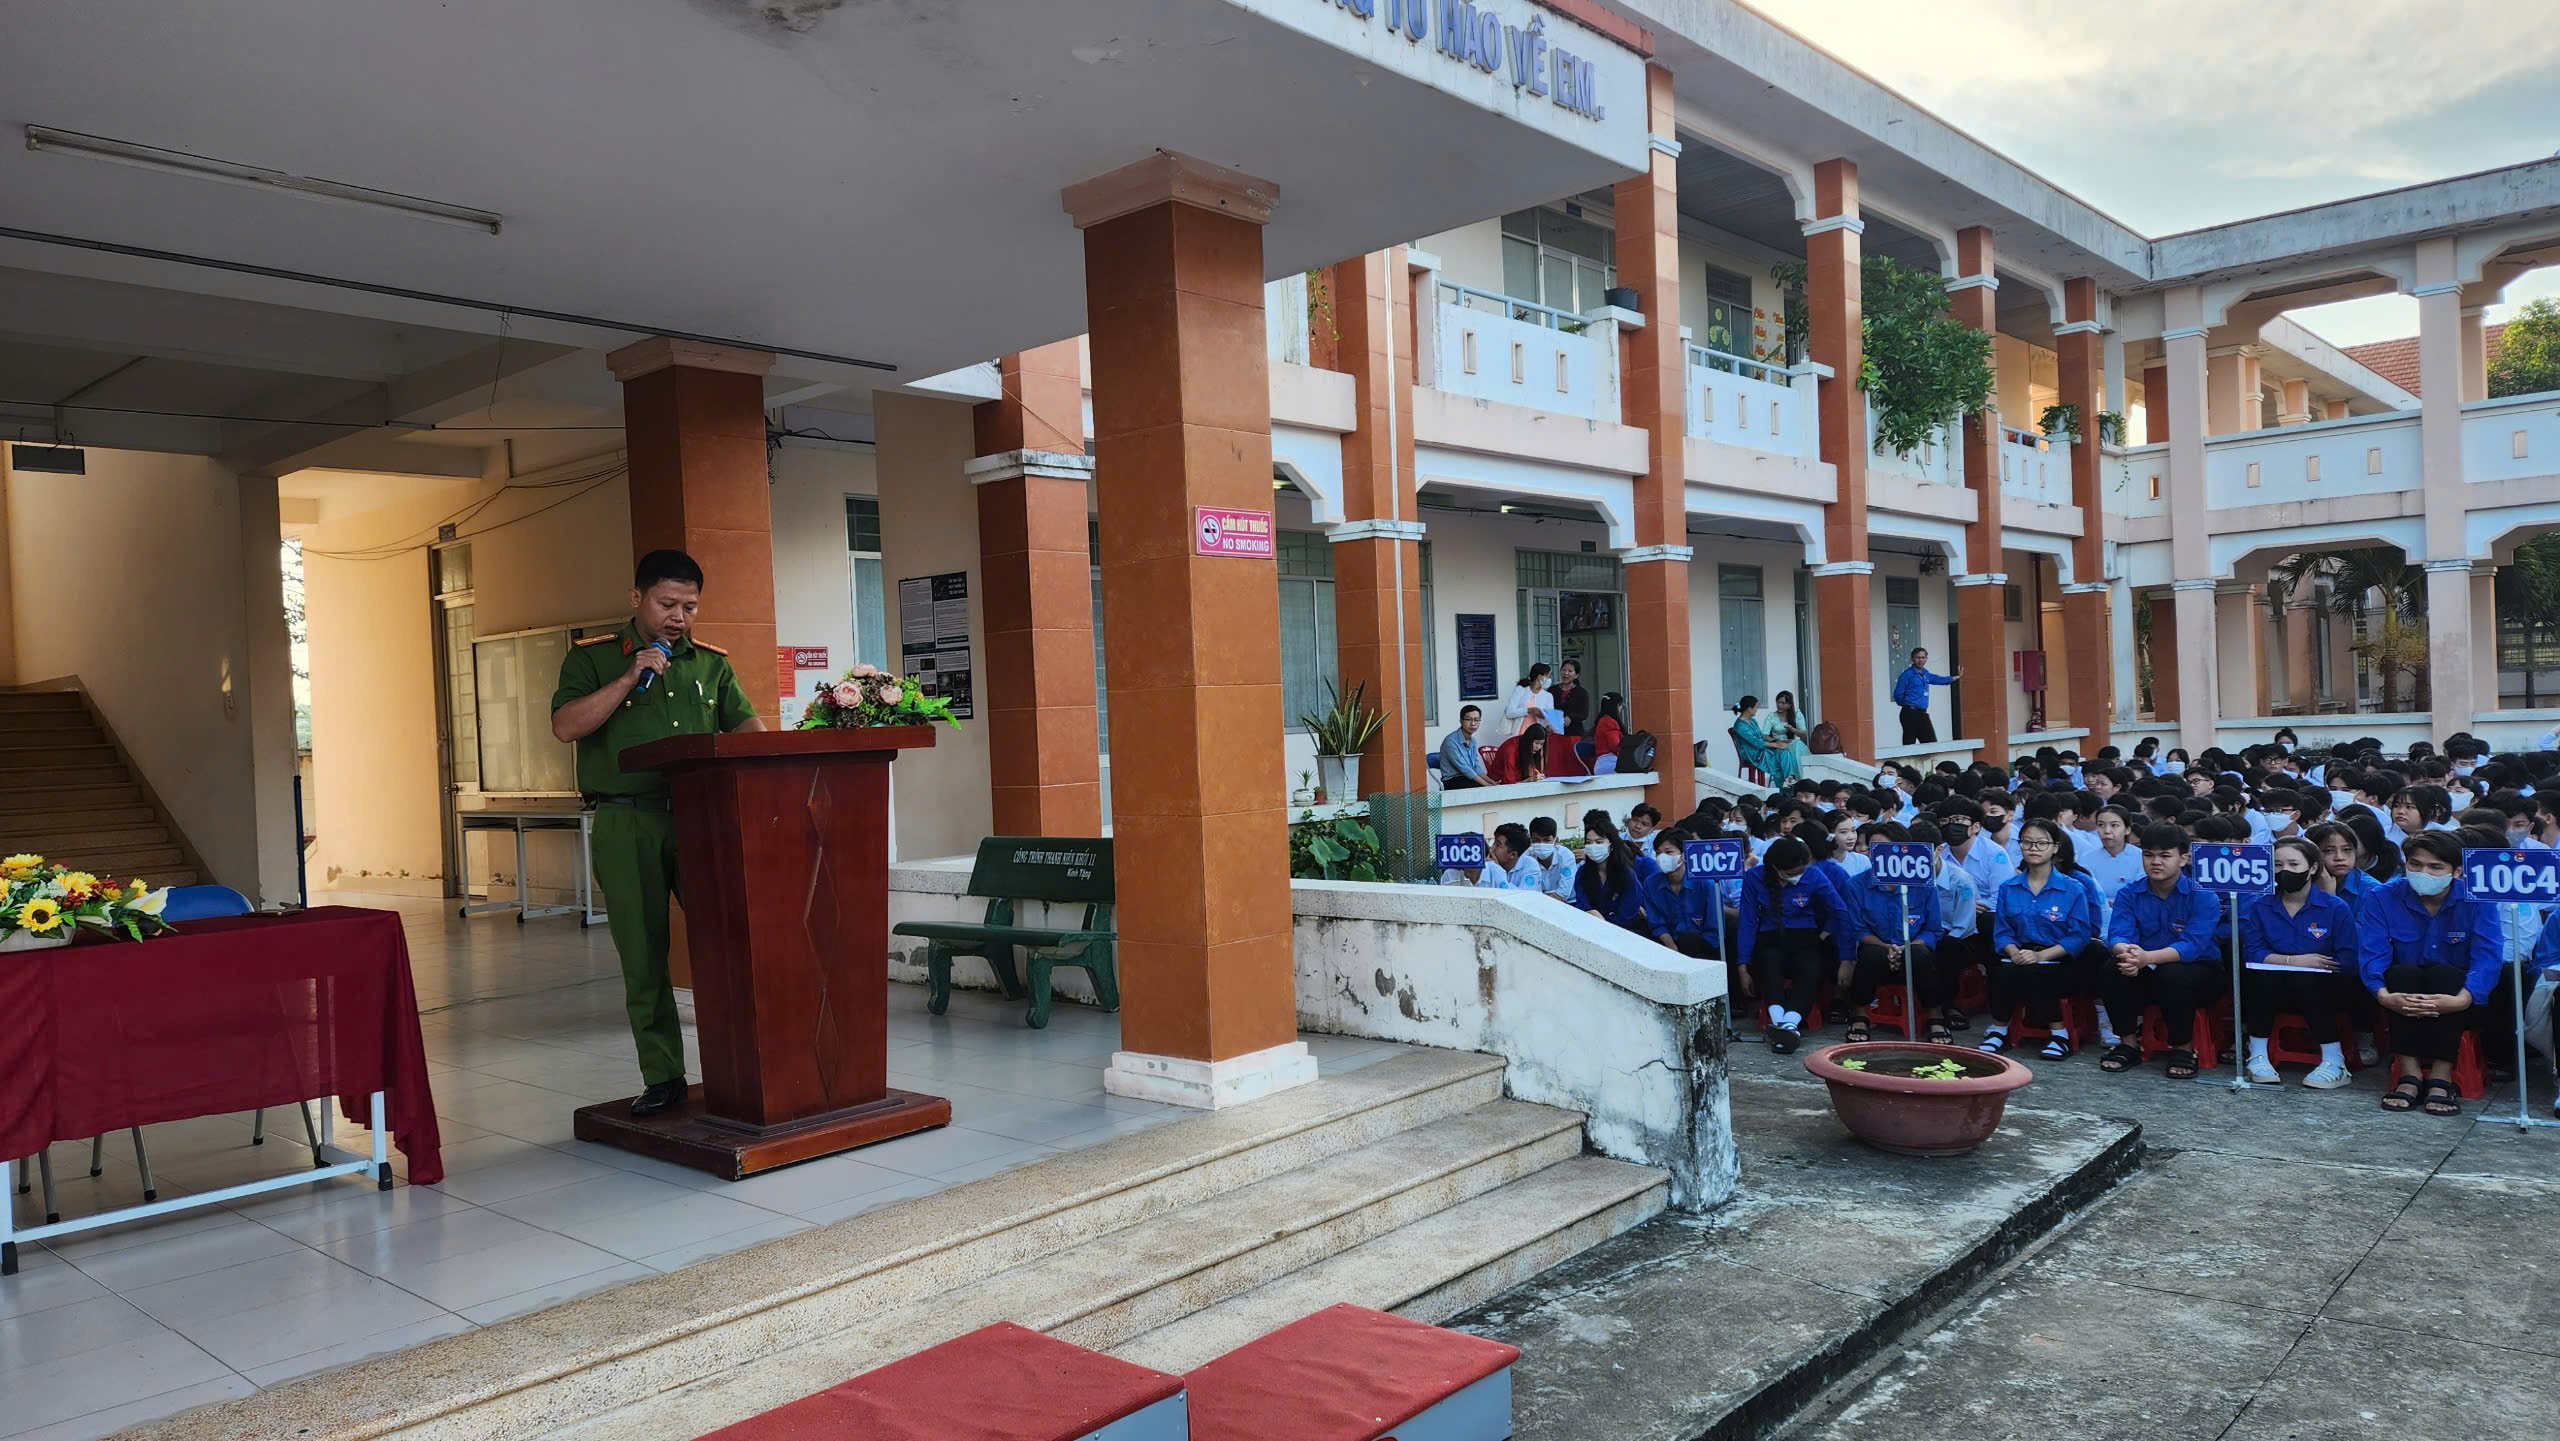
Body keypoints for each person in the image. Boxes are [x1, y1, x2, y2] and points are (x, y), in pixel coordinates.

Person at [550, 548, 763, 1117]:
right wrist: (630, 676)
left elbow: (745, 725)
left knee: (729, 941)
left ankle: (745, 1065)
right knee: (644, 955)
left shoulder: (711, 664)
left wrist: (767, 754)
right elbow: (566, 726)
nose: (679, 617)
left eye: (690, 607)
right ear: (637, 598)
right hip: (627, 821)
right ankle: (665, 1076)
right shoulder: (593, 659)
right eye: (667, 604)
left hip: (701, 817)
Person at [2360, 831, 2500, 1116]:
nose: (2424, 873)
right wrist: (2383, 995)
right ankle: (2409, 1074)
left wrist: (2464, 998)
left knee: (2446, 976)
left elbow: (2488, 956)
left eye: (2435, 867)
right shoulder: (2382, 897)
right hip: (2402, 989)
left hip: (2457, 993)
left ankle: (2441, 1076)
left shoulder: (2477, 900)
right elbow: (2372, 951)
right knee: (2403, 975)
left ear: (2457, 871)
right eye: (2415, 864)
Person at [2096, 824, 2224, 1080]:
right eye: (2148, 855)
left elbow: (2192, 946)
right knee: (2113, 968)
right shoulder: (2129, 893)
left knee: (2173, 975)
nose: (2155, 862)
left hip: (2198, 972)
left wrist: (2146, 958)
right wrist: (2126, 952)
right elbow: (2118, 934)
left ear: (2183, 858)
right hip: (2144, 966)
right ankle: (2128, 1044)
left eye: (2165, 855)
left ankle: (2183, 1048)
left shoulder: (2203, 896)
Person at [2236, 836, 2359, 1089]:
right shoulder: (2261, 905)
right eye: (2278, 865)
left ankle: (2335, 1061)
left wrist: (2312, 966)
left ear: (2312, 868)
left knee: (2307, 980)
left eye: (2293, 864)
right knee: (2260, 977)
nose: (2285, 871)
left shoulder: (2335, 908)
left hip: (2323, 988)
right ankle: (2257, 1055)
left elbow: (2347, 959)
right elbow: (2253, 952)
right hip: (2273, 986)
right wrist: (2293, 961)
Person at [1980, 819, 2099, 1060]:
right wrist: (2013, 952)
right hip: (2020, 953)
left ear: (2055, 847)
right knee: (2001, 971)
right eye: (2027, 842)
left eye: (2041, 843)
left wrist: (2041, 955)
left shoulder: (2073, 888)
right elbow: (2002, 931)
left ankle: (2059, 1034)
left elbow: (2079, 935)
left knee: (2040, 972)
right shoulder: (2009, 887)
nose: (2033, 848)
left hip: (2059, 957)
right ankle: (1999, 1029)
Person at [1736, 836, 1850, 1053]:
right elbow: (1747, 922)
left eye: (1801, 871)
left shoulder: (1813, 875)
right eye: (1792, 873)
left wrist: (1846, 958)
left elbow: (1840, 912)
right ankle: (1782, 1023)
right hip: (1770, 938)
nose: (1798, 876)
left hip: (1806, 938)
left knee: (1811, 968)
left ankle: (1788, 1024)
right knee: (1770, 964)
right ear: (1776, 868)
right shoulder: (1754, 878)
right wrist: (1742, 966)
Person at [1843, 828, 1947, 1042]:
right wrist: (1886, 948)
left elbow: (1933, 929)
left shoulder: (1923, 883)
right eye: (1873, 848)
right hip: (1878, 951)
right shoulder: (1856, 885)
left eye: (1885, 848)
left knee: (1920, 955)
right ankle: (1860, 1014)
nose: (1878, 854)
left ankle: (1935, 1015)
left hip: (1914, 951)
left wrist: (1907, 948)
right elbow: (1858, 929)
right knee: (1870, 955)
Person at [1571, 810, 1671, 944]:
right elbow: (1582, 904)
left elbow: (1628, 913)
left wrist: (1604, 923)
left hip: (1625, 934)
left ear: (1611, 845)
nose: (1593, 847)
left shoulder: (1626, 874)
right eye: (1589, 842)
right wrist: (1591, 914)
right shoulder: (1583, 873)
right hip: (1592, 930)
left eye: (1599, 842)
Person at [1891, 647, 1959, 745]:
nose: (1920, 660)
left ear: (1926, 659)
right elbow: (1898, 695)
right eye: (1918, 658)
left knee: (1931, 744)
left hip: (1922, 713)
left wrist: (1955, 678)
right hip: (1910, 713)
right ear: (1912, 659)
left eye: (1923, 658)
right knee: (1909, 745)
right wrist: (1908, 704)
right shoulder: (1907, 675)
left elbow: (1937, 679)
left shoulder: (1925, 673)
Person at [1438, 704, 1492, 790]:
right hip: (1453, 781)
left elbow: (1476, 766)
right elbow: (1464, 768)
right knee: (1484, 790)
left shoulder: (1473, 740)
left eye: (1476, 720)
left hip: (1469, 778)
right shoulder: (1450, 741)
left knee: (1492, 789)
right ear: (1461, 721)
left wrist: (1491, 782)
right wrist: (1486, 784)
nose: (1473, 723)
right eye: (1469, 719)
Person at [1763, 691, 1810, 785]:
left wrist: (1793, 730)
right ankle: (1795, 779)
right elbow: (1765, 735)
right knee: (1787, 749)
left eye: (1783, 703)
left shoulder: (1797, 715)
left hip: (1796, 745)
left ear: (1789, 705)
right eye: (1778, 702)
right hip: (1780, 745)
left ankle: (1798, 780)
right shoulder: (1771, 717)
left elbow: (1805, 734)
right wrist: (1778, 741)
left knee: (1796, 745)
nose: (1779, 705)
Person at [1732, 695, 1780, 781]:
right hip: (1751, 753)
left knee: (1784, 752)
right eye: (1756, 707)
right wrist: (1775, 745)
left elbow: (1761, 736)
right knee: (1778, 755)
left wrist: (1775, 741)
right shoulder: (1739, 725)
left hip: (1759, 749)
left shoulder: (1753, 720)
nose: (1757, 709)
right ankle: (1784, 780)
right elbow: (1755, 741)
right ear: (1749, 709)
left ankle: (1787, 779)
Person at [1505, 663, 1557, 737]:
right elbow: (1509, 713)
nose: (1549, 679)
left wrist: (1549, 726)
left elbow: (1550, 719)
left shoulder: (1548, 696)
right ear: (1539, 677)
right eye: (1548, 676)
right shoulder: (1520, 690)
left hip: (1539, 736)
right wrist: (1529, 710)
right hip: (1520, 734)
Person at [1550, 658, 1592, 738]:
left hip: (1573, 733)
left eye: (1570, 671)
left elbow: (1584, 714)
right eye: (1564, 670)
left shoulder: (1581, 692)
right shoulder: (1552, 690)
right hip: (1554, 732)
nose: (1566, 673)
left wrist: (1570, 717)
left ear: (1576, 675)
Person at [1591, 692, 1628, 772]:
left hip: (1604, 763)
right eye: (1621, 706)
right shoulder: (1609, 722)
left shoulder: (1602, 720)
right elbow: (1615, 745)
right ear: (1617, 705)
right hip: (1609, 763)